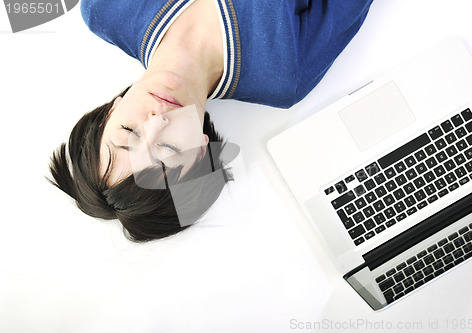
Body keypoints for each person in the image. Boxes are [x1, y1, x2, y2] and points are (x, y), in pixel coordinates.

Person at [48, 0, 374, 242]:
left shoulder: (104, 9)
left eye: (129, 131)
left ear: (111, 112)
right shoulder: (284, 73)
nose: (156, 121)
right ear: (201, 153)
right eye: (167, 149)